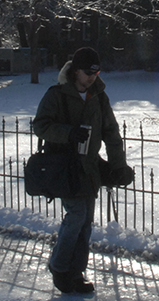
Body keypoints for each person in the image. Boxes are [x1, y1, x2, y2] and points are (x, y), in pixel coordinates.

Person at [32, 47, 134, 294]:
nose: (93, 77)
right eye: (88, 72)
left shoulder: (99, 96)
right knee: (76, 216)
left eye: (96, 72)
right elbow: (41, 126)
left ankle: (75, 273)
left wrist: (119, 166)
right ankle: (59, 267)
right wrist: (67, 132)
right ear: (75, 71)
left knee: (86, 222)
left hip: (89, 168)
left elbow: (111, 132)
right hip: (65, 167)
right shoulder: (56, 95)